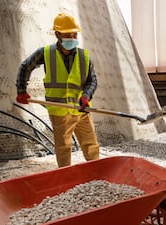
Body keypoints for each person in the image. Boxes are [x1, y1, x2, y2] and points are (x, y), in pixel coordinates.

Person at [15, 13, 100, 167]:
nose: (72, 37)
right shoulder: (46, 53)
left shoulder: (84, 56)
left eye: (74, 34)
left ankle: (96, 171)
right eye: (68, 34)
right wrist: (21, 90)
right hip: (59, 111)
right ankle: (65, 175)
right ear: (57, 34)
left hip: (81, 110)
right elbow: (25, 67)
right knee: (63, 147)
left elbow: (92, 80)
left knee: (90, 143)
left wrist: (86, 96)